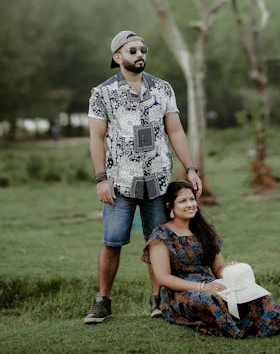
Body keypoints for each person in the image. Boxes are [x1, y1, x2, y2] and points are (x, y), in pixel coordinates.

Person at [84, 30, 203, 325]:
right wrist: (101, 178)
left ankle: (158, 299)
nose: (140, 54)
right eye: (132, 50)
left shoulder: (163, 89)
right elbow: (96, 138)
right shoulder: (102, 93)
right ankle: (103, 301)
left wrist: (190, 168)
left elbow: (175, 131)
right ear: (118, 57)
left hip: (157, 182)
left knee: (157, 242)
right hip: (120, 183)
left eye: (143, 49)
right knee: (112, 241)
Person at [142, 181, 280, 339]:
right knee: (210, 299)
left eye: (192, 199)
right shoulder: (161, 235)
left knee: (253, 291)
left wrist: (232, 271)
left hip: (212, 283)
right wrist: (203, 287)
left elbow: (219, 269)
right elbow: (163, 277)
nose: (190, 204)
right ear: (169, 206)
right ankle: (245, 327)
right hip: (179, 292)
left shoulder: (204, 230)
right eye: (183, 201)